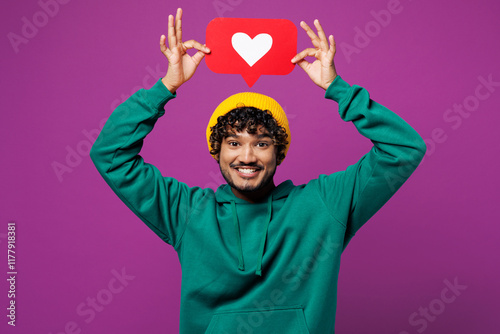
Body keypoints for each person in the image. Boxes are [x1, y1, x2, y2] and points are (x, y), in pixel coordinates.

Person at [90, 7, 426, 334]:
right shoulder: (187, 213)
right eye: (233, 143)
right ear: (215, 151)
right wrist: (166, 86)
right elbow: (109, 155)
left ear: (280, 153)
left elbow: (404, 149)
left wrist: (338, 88)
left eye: (262, 143)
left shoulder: (324, 205)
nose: (247, 156)